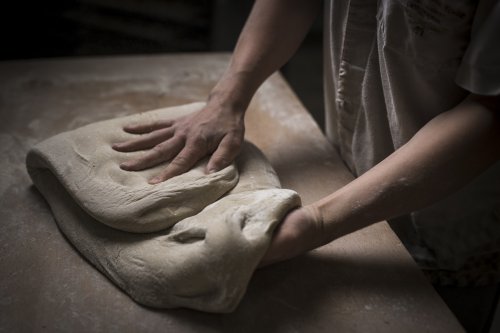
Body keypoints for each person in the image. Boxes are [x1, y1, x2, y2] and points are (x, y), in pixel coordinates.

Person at [113, 0, 500, 327]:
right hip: (345, 165)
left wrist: (317, 222)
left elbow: (492, 110)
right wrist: (228, 97)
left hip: (452, 225)